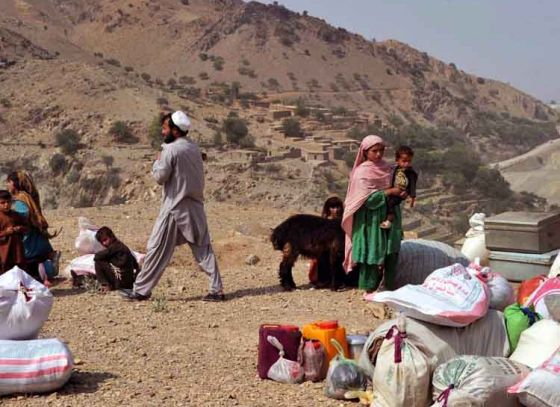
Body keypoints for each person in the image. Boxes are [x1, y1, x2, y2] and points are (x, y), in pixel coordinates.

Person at [121, 111, 225, 301]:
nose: (163, 132)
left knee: (156, 248)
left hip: (174, 208)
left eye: (165, 128)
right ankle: (216, 290)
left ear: (175, 131)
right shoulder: (193, 146)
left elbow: (160, 177)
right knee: (203, 248)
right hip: (194, 206)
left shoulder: (170, 150)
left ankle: (141, 290)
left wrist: (158, 159)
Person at [342, 135, 406, 293]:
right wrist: (390, 191)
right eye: (374, 151)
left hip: (390, 214)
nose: (378, 154)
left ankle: (389, 287)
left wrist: (401, 193)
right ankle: (368, 287)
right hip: (370, 218)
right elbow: (366, 200)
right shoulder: (361, 173)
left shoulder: (388, 168)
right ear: (365, 152)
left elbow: (398, 186)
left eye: (381, 150)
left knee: (391, 251)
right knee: (372, 250)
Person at [309, 196, 344, 287]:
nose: (335, 210)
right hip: (324, 249)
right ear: (328, 209)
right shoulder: (323, 221)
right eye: (332, 207)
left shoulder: (344, 221)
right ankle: (324, 281)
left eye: (337, 207)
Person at [380, 145, 418, 229]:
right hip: (393, 189)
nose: (407, 164)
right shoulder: (394, 169)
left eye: (409, 161)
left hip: (402, 192)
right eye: (404, 161)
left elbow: (412, 185)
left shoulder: (411, 173)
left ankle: (389, 220)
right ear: (397, 160)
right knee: (385, 200)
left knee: (391, 202)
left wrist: (411, 197)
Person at [93, 227, 139, 292]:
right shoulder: (121, 246)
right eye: (102, 242)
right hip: (128, 283)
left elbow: (97, 257)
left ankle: (105, 285)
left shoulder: (115, 247)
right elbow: (135, 264)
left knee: (98, 262)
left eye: (105, 240)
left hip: (120, 282)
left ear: (111, 236)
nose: (104, 243)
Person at [0, 190, 28, 274]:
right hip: (3, 250)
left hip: (16, 249)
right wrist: (6, 232)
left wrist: (19, 228)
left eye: (8, 202)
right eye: (2, 203)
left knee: (17, 270)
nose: (6, 205)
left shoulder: (15, 215)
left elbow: (26, 227)